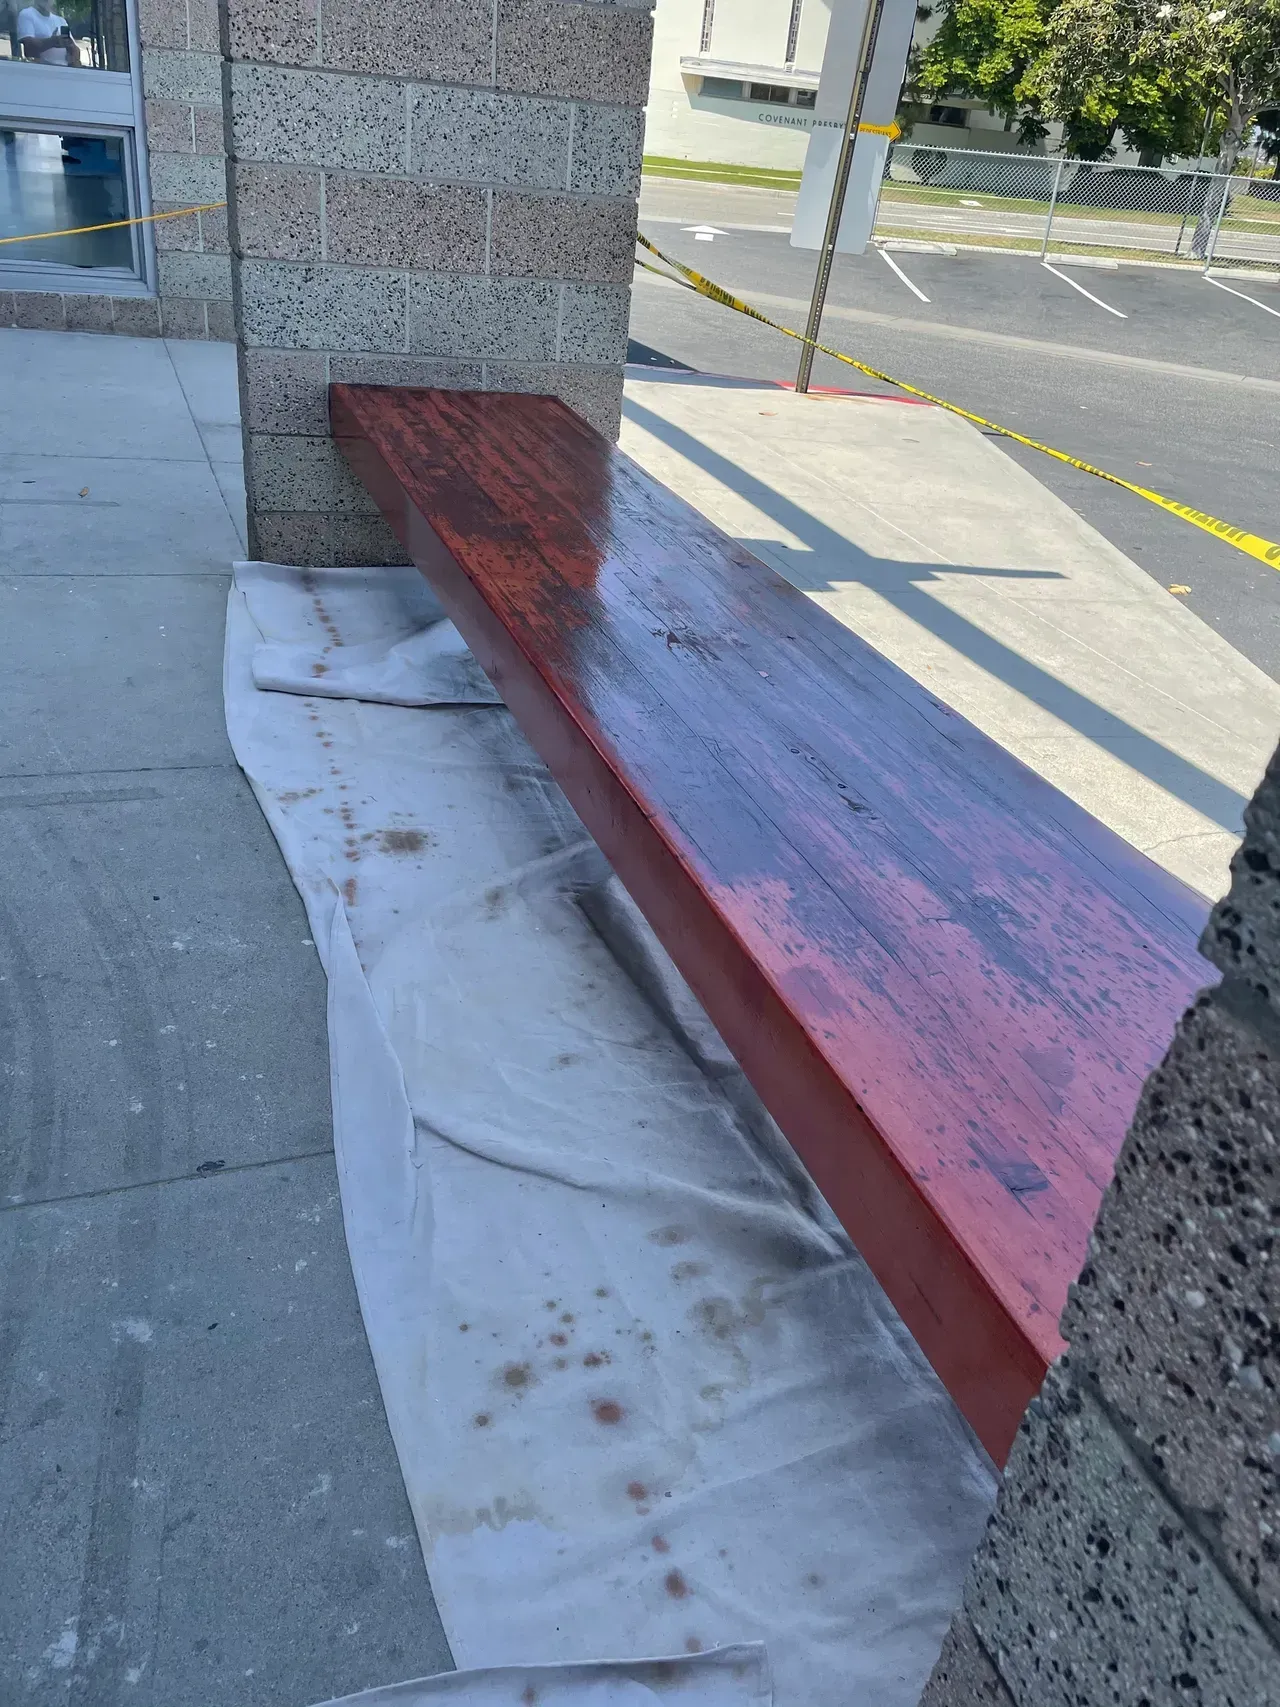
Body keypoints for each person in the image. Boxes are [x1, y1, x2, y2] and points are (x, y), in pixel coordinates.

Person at [16, 0, 81, 64]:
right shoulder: (27, 14)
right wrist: (52, 42)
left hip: (64, 71)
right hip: (42, 70)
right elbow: (29, 48)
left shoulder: (61, 21)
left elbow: (76, 51)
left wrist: (71, 48)